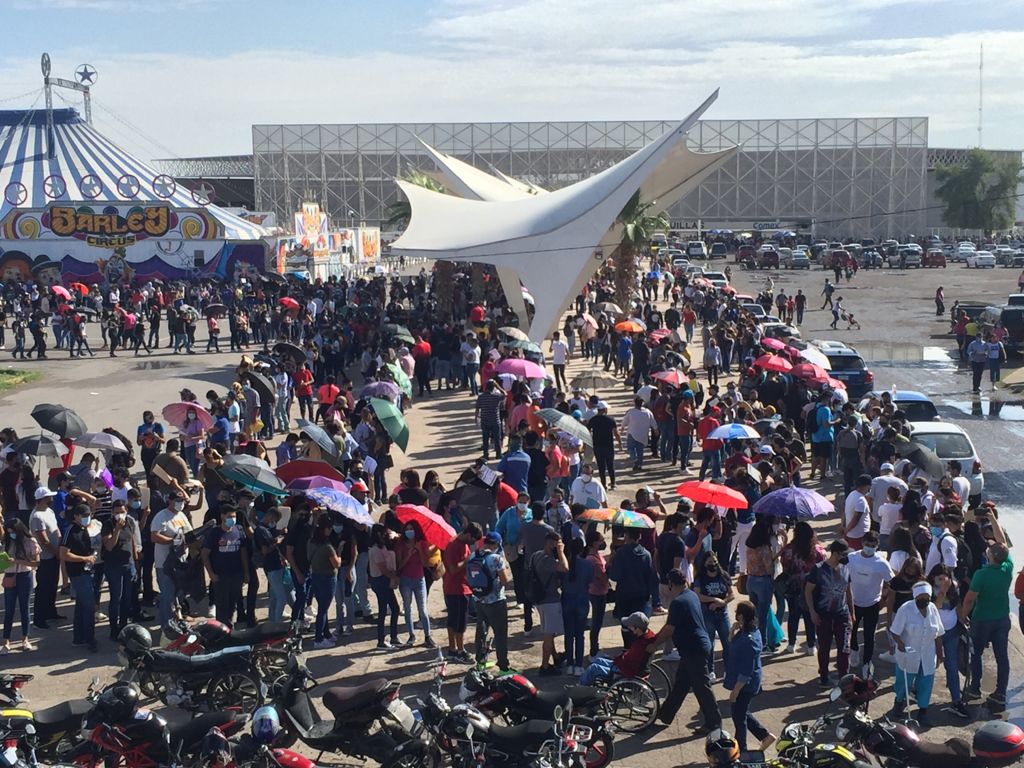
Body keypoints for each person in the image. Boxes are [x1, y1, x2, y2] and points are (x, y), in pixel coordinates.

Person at [651, 569, 722, 734]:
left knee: (701, 687)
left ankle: (714, 723)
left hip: (693, 649)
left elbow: (669, 629)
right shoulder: (691, 595)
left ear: (670, 585)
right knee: (681, 684)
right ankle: (665, 714)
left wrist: (654, 644)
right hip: (697, 646)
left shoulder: (678, 602)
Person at [961, 541, 1012, 711]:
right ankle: (1001, 693)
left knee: (976, 654)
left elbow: (969, 599)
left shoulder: (981, 574)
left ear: (991, 556)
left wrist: (962, 617)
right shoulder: (1008, 568)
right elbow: (1003, 543)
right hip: (1002, 618)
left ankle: (975, 688)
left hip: (982, 619)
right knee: (1002, 657)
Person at [888, 581, 944, 725]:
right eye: (921, 598)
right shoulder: (905, 609)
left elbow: (938, 633)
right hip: (908, 655)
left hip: (927, 655)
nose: (924, 601)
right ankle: (899, 703)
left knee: (925, 684)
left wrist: (940, 652)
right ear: (915, 597)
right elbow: (895, 631)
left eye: (927, 597)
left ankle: (923, 711)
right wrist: (899, 643)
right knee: (903, 682)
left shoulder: (932, 609)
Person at [725, 600, 776, 752]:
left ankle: (742, 751)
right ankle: (765, 736)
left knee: (739, 718)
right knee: (742, 712)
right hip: (745, 682)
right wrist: (732, 631)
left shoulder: (749, 640)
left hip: (745, 685)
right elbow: (731, 643)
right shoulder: (750, 631)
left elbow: (746, 671)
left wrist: (736, 690)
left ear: (741, 616)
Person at [805, 540, 854, 687]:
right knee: (824, 647)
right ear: (836, 553)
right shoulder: (818, 569)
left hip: (842, 614)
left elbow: (848, 591)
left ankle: (844, 679)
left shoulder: (846, 568)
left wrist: (852, 613)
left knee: (844, 648)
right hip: (823, 615)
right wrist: (812, 612)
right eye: (844, 554)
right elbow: (808, 591)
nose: (846, 557)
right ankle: (824, 677)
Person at [847, 531, 894, 677]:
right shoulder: (852, 558)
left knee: (869, 636)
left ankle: (867, 663)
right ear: (862, 543)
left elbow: (891, 583)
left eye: (873, 546)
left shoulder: (881, 563)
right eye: (868, 545)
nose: (870, 548)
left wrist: (884, 601)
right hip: (853, 602)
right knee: (851, 632)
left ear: (877, 546)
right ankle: (854, 651)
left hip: (872, 604)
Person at [929, 564, 970, 719]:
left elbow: (958, 605)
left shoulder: (954, 588)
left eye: (944, 576)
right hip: (934, 634)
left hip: (951, 631)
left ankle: (956, 701)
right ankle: (917, 692)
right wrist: (942, 591)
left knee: (951, 665)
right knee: (930, 664)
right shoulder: (928, 589)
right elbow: (936, 606)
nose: (942, 579)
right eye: (938, 576)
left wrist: (963, 618)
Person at [780, 522, 825, 655]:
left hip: (793, 587)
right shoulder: (817, 551)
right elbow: (823, 568)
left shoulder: (788, 550)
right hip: (812, 589)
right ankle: (811, 646)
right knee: (810, 615)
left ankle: (791, 644)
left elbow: (785, 567)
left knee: (793, 615)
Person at [607, 528, 658, 646]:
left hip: (624, 595)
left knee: (625, 624)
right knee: (639, 624)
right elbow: (650, 577)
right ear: (639, 537)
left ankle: (627, 647)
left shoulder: (621, 553)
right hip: (641, 595)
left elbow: (614, 576)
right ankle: (637, 648)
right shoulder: (646, 554)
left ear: (627, 536)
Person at [529, 531, 569, 675]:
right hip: (550, 601)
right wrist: (561, 552)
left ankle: (556, 657)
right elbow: (564, 568)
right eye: (557, 543)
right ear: (551, 543)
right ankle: (545, 666)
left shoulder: (536, 555)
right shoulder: (547, 560)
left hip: (540, 600)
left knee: (548, 633)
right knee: (548, 635)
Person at [471, 531, 512, 670]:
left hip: (478, 600)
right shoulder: (496, 559)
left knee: (481, 632)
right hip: (496, 601)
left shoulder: (473, 555)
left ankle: (480, 663)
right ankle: (503, 666)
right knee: (500, 634)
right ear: (497, 544)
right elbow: (505, 580)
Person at [201, 506, 249, 627]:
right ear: (222, 516)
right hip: (220, 576)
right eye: (229, 516)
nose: (232, 519)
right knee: (222, 605)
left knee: (232, 604)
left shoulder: (238, 530)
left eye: (234, 517)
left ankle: (229, 627)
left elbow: (243, 552)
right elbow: (205, 554)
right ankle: (221, 630)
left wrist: (246, 572)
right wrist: (211, 573)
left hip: (236, 574)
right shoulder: (215, 533)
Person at [580, 611, 657, 684]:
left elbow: (628, 664)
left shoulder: (640, 645)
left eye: (631, 626)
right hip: (629, 667)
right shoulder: (648, 637)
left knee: (594, 668)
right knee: (599, 660)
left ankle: (580, 687)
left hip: (624, 672)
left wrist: (618, 659)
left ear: (637, 629)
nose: (629, 628)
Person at [101, 498, 140, 641]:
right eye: (116, 512)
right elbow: (109, 545)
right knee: (116, 597)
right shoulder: (108, 524)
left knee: (126, 598)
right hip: (114, 566)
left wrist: (135, 561)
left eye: (122, 512)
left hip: (128, 564)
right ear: (112, 512)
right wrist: (117, 528)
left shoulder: (129, 522)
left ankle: (123, 625)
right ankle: (113, 628)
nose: (119, 515)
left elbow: (132, 541)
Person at [60, 504, 97, 652]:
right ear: (76, 516)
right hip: (78, 573)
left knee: (81, 606)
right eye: (83, 515)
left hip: (87, 571)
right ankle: (90, 638)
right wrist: (84, 558)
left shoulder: (86, 529)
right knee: (89, 606)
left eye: (88, 515)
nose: (87, 518)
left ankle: (79, 636)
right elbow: (63, 554)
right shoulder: (71, 531)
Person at [442, 523, 481, 663]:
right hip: (456, 589)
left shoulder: (462, 544)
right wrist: (467, 561)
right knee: (459, 622)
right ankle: (459, 650)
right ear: (468, 534)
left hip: (460, 587)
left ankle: (453, 650)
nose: (473, 543)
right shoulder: (454, 545)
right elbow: (453, 569)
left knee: (454, 620)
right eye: (473, 540)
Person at [693, 552, 733, 679]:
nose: (713, 565)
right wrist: (714, 600)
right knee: (709, 644)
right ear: (704, 563)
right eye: (710, 562)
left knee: (728, 642)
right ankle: (710, 670)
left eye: (715, 562)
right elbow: (698, 595)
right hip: (707, 614)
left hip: (723, 614)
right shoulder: (701, 578)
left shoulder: (724, 576)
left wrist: (722, 602)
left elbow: (731, 594)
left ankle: (729, 669)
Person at [396, 519, 436, 648]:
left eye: (411, 529)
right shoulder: (401, 544)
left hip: (419, 579)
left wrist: (419, 550)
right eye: (407, 529)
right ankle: (411, 635)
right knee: (407, 608)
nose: (409, 531)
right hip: (405, 580)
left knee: (423, 609)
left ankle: (427, 636)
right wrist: (408, 555)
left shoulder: (421, 544)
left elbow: (425, 564)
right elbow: (399, 566)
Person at [3, 519, 40, 653]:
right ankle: (6, 640)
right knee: (9, 610)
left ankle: (25, 638)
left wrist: (17, 561)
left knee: (24, 608)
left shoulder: (30, 542)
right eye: (9, 532)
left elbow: (36, 563)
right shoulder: (7, 541)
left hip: (24, 575)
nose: (10, 534)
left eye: (13, 532)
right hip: (9, 575)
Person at [29, 486, 61, 630]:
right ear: (42, 499)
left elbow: (56, 529)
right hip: (45, 557)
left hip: (55, 554)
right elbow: (44, 539)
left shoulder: (49, 511)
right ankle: (39, 618)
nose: (51, 499)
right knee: (43, 588)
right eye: (49, 497)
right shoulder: (36, 516)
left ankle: (51, 612)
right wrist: (55, 552)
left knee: (52, 585)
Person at [306, 514, 340, 649]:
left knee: (322, 607)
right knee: (323, 610)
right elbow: (336, 564)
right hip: (327, 578)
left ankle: (326, 634)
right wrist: (340, 555)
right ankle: (319, 639)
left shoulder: (311, 542)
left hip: (315, 576)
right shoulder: (327, 547)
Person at [561, 537, 594, 675]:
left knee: (568, 634)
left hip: (567, 599)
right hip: (582, 600)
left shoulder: (564, 564)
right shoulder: (588, 565)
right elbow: (590, 582)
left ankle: (569, 663)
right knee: (579, 635)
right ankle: (579, 665)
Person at [744, 517, 776, 649]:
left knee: (754, 613)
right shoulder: (764, 549)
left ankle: (753, 637)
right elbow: (769, 568)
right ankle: (762, 642)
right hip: (763, 581)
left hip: (751, 580)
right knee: (763, 615)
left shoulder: (749, 547)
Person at [254, 506, 290, 623]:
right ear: (269, 516)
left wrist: (279, 534)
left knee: (274, 597)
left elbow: (272, 534)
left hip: (276, 565)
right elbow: (265, 550)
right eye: (274, 519)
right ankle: (277, 623)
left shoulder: (266, 529)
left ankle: (272, 621)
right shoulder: (261, 530)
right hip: (272, 567)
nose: (273, 523)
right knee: (282, 597)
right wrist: (277, 542)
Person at [586, 530, 610, 659]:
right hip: (597, 593)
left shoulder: (596, 556)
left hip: (600, 591)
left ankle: (595, 648)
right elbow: (603, 577)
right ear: (594, 543)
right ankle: (593, 651)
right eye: (600, 540)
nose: (603, 543)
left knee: (597, 621)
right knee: (596, 622)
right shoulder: (593, 560)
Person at [587, 402, 622, 490]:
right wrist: (620, 444)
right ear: (605, 409)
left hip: (597, 446)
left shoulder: (593, 420)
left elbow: (587, 431)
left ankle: (603, 484)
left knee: (601, 466)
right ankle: (613, 484)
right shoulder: (610, 419)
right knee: (610, 465)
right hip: (609, 446)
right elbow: (616, 433)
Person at [621, 397, 657, 472]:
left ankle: (634, 458)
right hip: (643, 434)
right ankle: (639, 465)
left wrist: (622, 428)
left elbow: (625, 421)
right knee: (640, 450)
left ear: (635, 403)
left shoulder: (631, 412)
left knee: (631, 448)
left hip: (632, 433)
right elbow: (653, 422)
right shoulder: (647, 412)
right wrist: (655, 429)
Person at [474, 380, 505, 461]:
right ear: (493, 388)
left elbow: (477, 408)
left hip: (484, 420)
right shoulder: (497, 396)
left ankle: (485, 454)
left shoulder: (481, 397)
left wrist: (476, 418)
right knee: (497, 438)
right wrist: (498, 386)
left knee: (485, 438)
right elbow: (505, 394)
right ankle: (498, 454)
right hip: (495, 420)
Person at [843, 474, 872, 549]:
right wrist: (847, 530)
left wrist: (844, 528)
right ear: (867, 486)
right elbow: (856, 519)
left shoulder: (851, 494)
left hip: (852, 534)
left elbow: (844, 514)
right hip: (858, 536)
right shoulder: (860, 500)